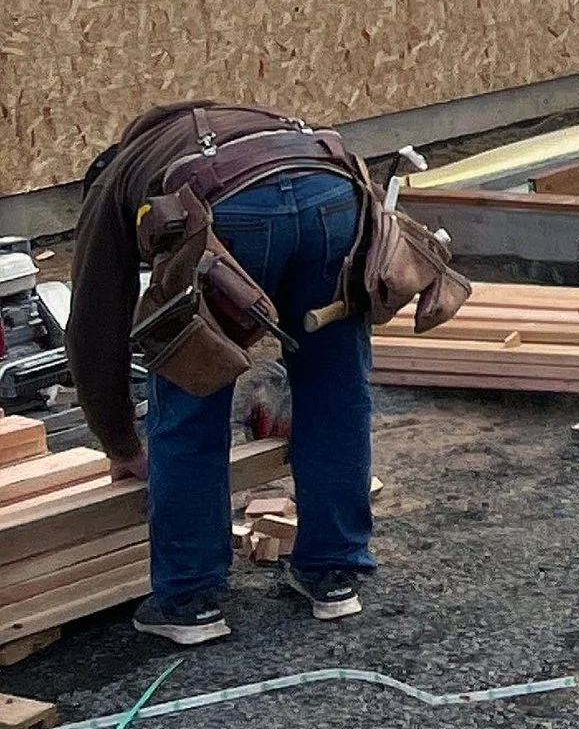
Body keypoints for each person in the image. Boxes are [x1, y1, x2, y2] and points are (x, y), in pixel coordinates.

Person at [69, 102, 375, 646]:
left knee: (192, 391)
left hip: (225, 210)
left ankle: (189, 602)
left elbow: (94, 327)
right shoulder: (229, 121)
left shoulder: (115, 187)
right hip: (332, 191)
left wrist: (120, 445)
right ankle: (333, 574)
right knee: (336, 391)